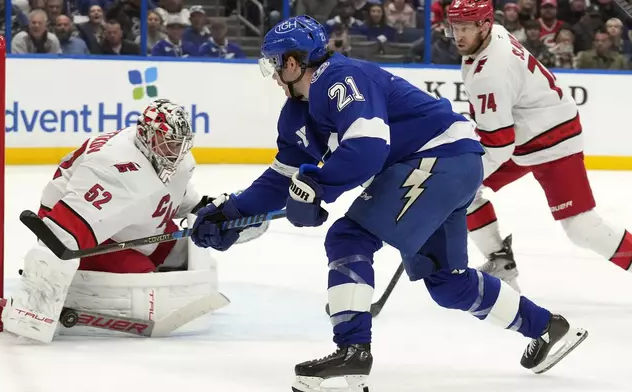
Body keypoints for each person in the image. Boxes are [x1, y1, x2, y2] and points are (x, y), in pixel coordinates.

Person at [190, 15, 588, 392]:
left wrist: (318, 187)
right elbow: (280, 180)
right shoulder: (296, 112)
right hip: (448, 164)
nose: (274, 75)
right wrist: (232, 212)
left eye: (276, 65)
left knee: (349, 237)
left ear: (293, 63)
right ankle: (547, 328)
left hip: (439, 158)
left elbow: (367, 149)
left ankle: (352, 351)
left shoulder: (341, 80)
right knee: (447, 282)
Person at [2, 99, 266, 343]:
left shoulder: (172, 157)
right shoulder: (113, 168)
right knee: (144, 276)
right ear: (149, 138)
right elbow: (60, 234)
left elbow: (176, 199)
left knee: (181, 254)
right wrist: (40, 296)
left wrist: (217, 212)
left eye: (181, 143)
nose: (178, 151)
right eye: (171, 143)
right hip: (73, 221)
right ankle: (84, 295)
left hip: (130, 220)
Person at [446, 0, 632, 292]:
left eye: (466, 28)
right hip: (527, 133)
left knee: (581, 228)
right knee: (461, 193)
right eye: (454, 27)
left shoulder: (489, 74)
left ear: (484, 25)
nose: (458, 35)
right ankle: (500, 262)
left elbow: (498, 146)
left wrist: (462, 176)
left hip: (552, 140)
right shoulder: (495, 33)